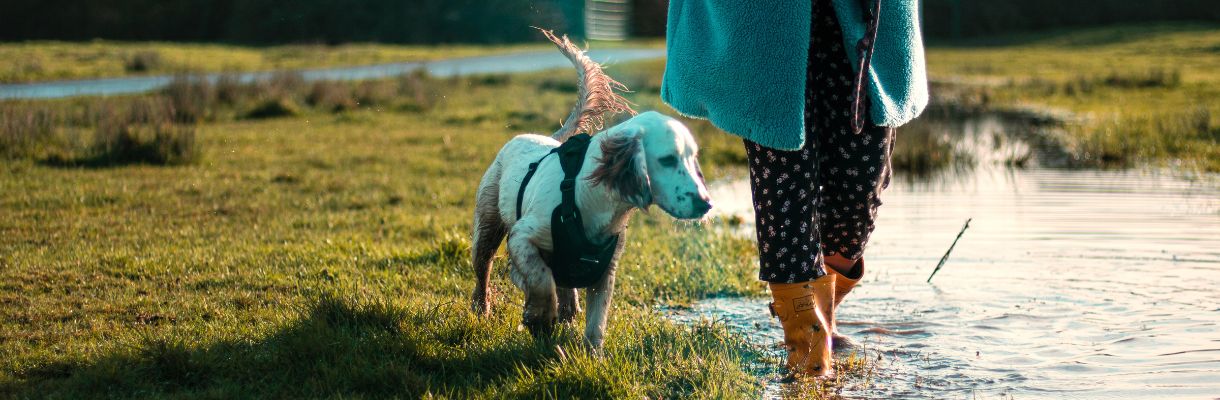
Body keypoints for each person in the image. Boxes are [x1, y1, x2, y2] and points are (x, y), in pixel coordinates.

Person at [661, 0, 928, 378]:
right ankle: (809, 361)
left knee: (859, 187)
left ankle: (824, 322)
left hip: (857, 16)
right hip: (766, 22)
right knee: (784, 182)